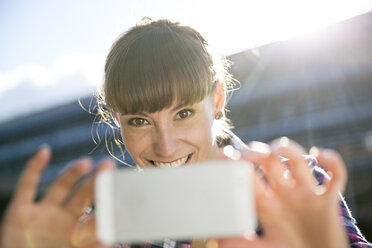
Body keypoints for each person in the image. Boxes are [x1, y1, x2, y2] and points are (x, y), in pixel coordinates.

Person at [0, 18, 370, 248]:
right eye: (140, 121)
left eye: (184, 113)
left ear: (219, 99)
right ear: (117, 119)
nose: (166, 145)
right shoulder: (110, 227)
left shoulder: (297, 185)